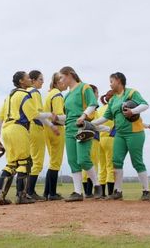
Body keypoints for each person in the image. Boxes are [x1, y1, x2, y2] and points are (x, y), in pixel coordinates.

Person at [0, 71, 59, 205]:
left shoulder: (9, 97)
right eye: (27, 78)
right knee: (24, 162)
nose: (30, 79)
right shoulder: (24, 95)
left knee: (11, 164)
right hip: (19, 129)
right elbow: (33, 114)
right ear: (22, 81)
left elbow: (0, 117)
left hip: (7, 130)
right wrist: (50, 115)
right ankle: (21, 195)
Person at [91, 72, 150, 201]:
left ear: (119, 81)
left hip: (135, 133)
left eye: (111, 81)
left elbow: (145, 105)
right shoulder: (113, 100)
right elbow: (105, 117)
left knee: (137, 162)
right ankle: (117, 191)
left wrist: (133, 111)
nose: (110, 84)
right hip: (119, 133)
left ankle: (146, 191)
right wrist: (89, 123)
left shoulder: (131, 93)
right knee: (116, 161)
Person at [59, 66, 103, 202]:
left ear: (69, 75)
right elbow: (67, 116)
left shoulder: (84, 87)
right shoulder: (66, 96)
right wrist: (55, 118)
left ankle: (97, 185)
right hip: (69, 129)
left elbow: (93, 104)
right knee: (73, 161)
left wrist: (83, 116)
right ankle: (78, 192)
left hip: (82, 127)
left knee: (83, 159)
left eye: (61, 77)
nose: (60, 80)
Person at [42, 72, 67, 201]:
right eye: (62, 80)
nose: (65, 82)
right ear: (57, 83)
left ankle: (47, 193)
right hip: (56, 128)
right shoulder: (57, 95)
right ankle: (52, 193)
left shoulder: (49, 94)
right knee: (56, 162)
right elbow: (58, 116)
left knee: (52, 161)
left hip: (47, 129)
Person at [26, 70, 48, 201]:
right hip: (36, 127)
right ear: (33, 80)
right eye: (40, 79)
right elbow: (38, 113)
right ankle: (30, 191)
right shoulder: (34, 92)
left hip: (27, 129)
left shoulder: (25, 93)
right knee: (37, 161)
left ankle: (26, 191)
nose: (42, 82)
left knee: (29, 160)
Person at [82, 84, 100, 198]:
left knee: (86, 163)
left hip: (87, 137)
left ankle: (87, 192)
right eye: (97, 93)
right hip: (92, 138)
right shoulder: (91, 109)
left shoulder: (87, 108)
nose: (98, 95)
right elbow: (94, 125)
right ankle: (89, 192)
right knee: (92, 163)